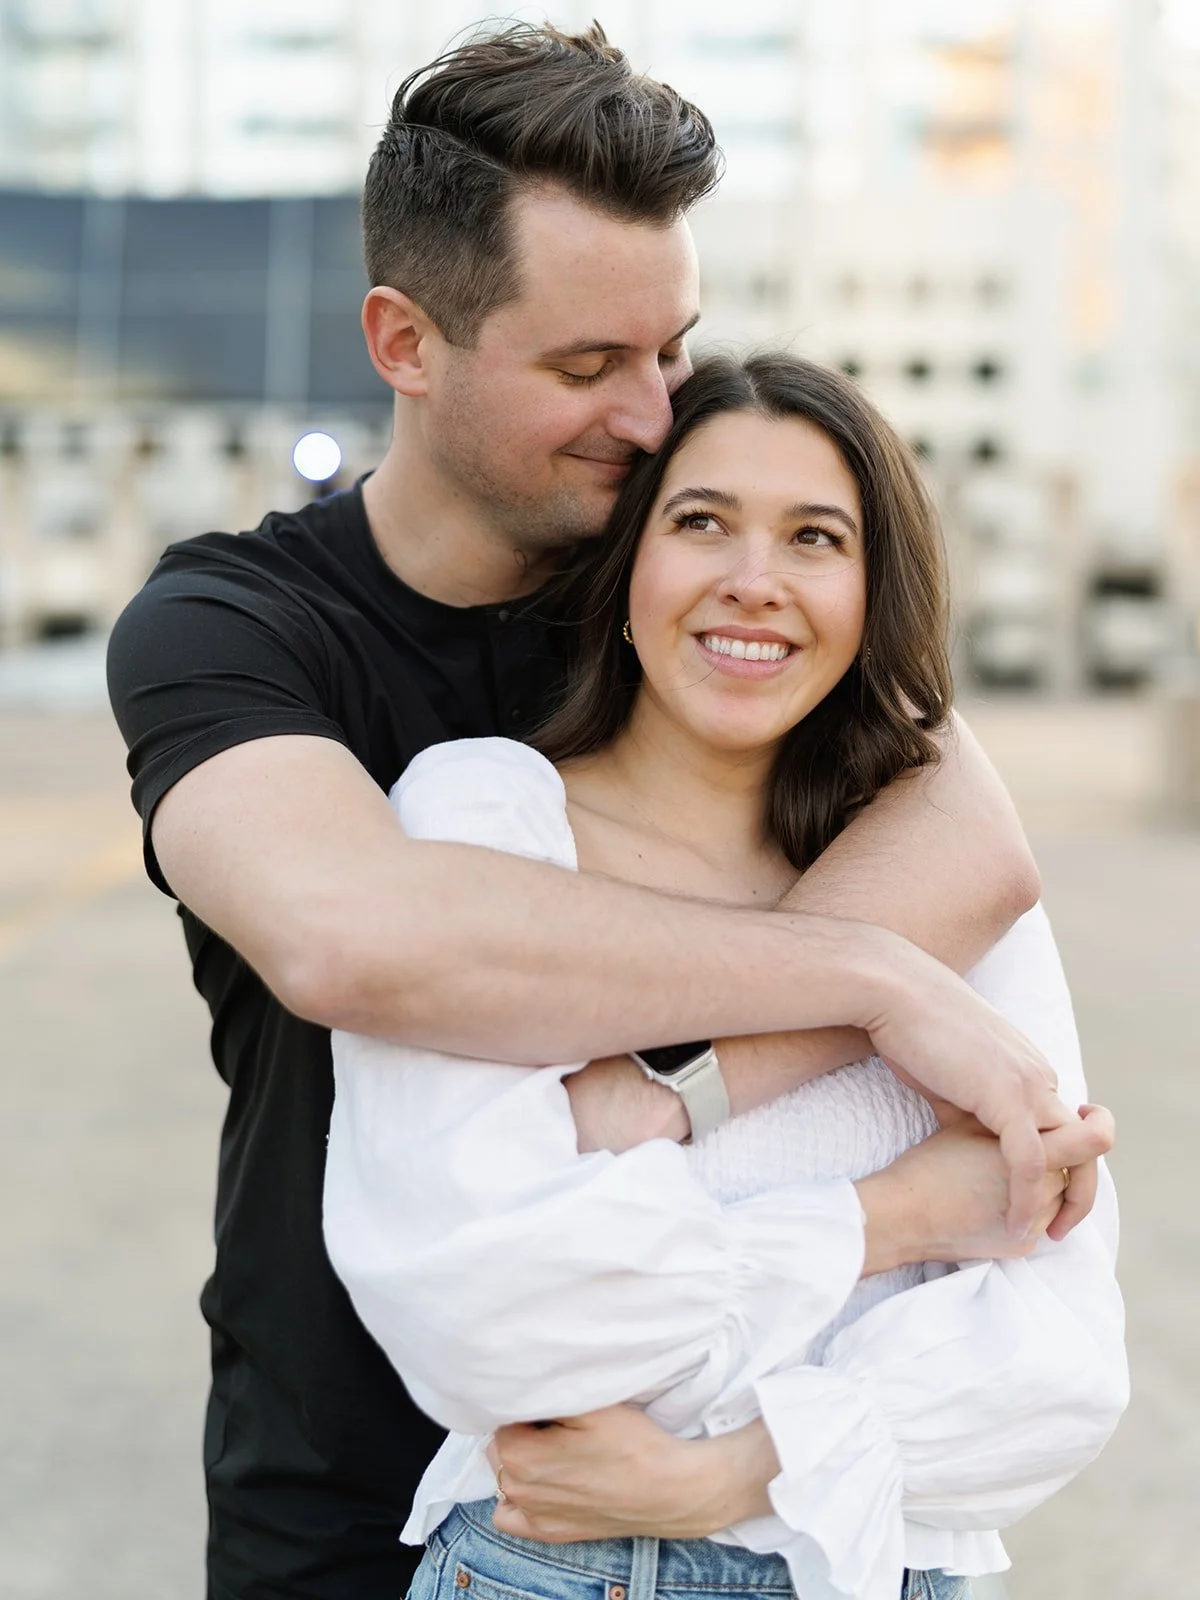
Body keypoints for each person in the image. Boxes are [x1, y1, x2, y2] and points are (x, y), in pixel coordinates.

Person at [106, 23, 1108, 1600]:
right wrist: (879, 991)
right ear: (405, 339)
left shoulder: (691, 590)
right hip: (352, 1482)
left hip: (757, 1478)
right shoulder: (234, 628)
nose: (649, 417)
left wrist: (683, 1095)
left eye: (670, 351)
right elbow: (352, 940)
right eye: (586, 367)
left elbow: (968, 834)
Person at [324, 352, 1127, 1600]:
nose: (755, 582)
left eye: (817, 537)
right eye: (702, 523)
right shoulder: (489, 823)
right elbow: (490, 1307)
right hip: (569, 1569)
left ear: (873, 594)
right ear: (628, 565)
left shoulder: (944, 884)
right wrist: (898, 1218)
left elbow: (1061, 1360)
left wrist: (735, 1467)